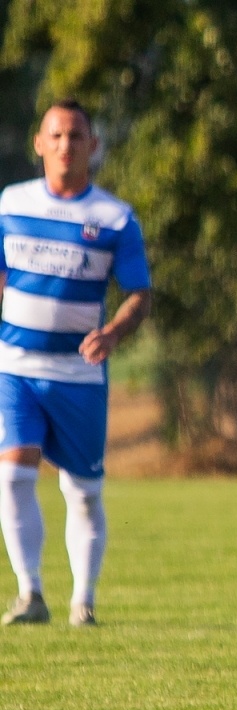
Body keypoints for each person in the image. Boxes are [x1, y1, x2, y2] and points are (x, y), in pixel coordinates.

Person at [0, 100, 151, 626]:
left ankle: (82, 601)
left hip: (78, 375)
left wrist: (113, 333)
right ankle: (30, 593)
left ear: (94, 146)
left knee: (82, 491)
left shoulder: (114, 217)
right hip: (16, 367)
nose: (66, 145)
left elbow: (139, 294)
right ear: (39, 143)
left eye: (76, 136)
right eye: (57, 135)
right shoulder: (11, 204)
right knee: (13, 475)